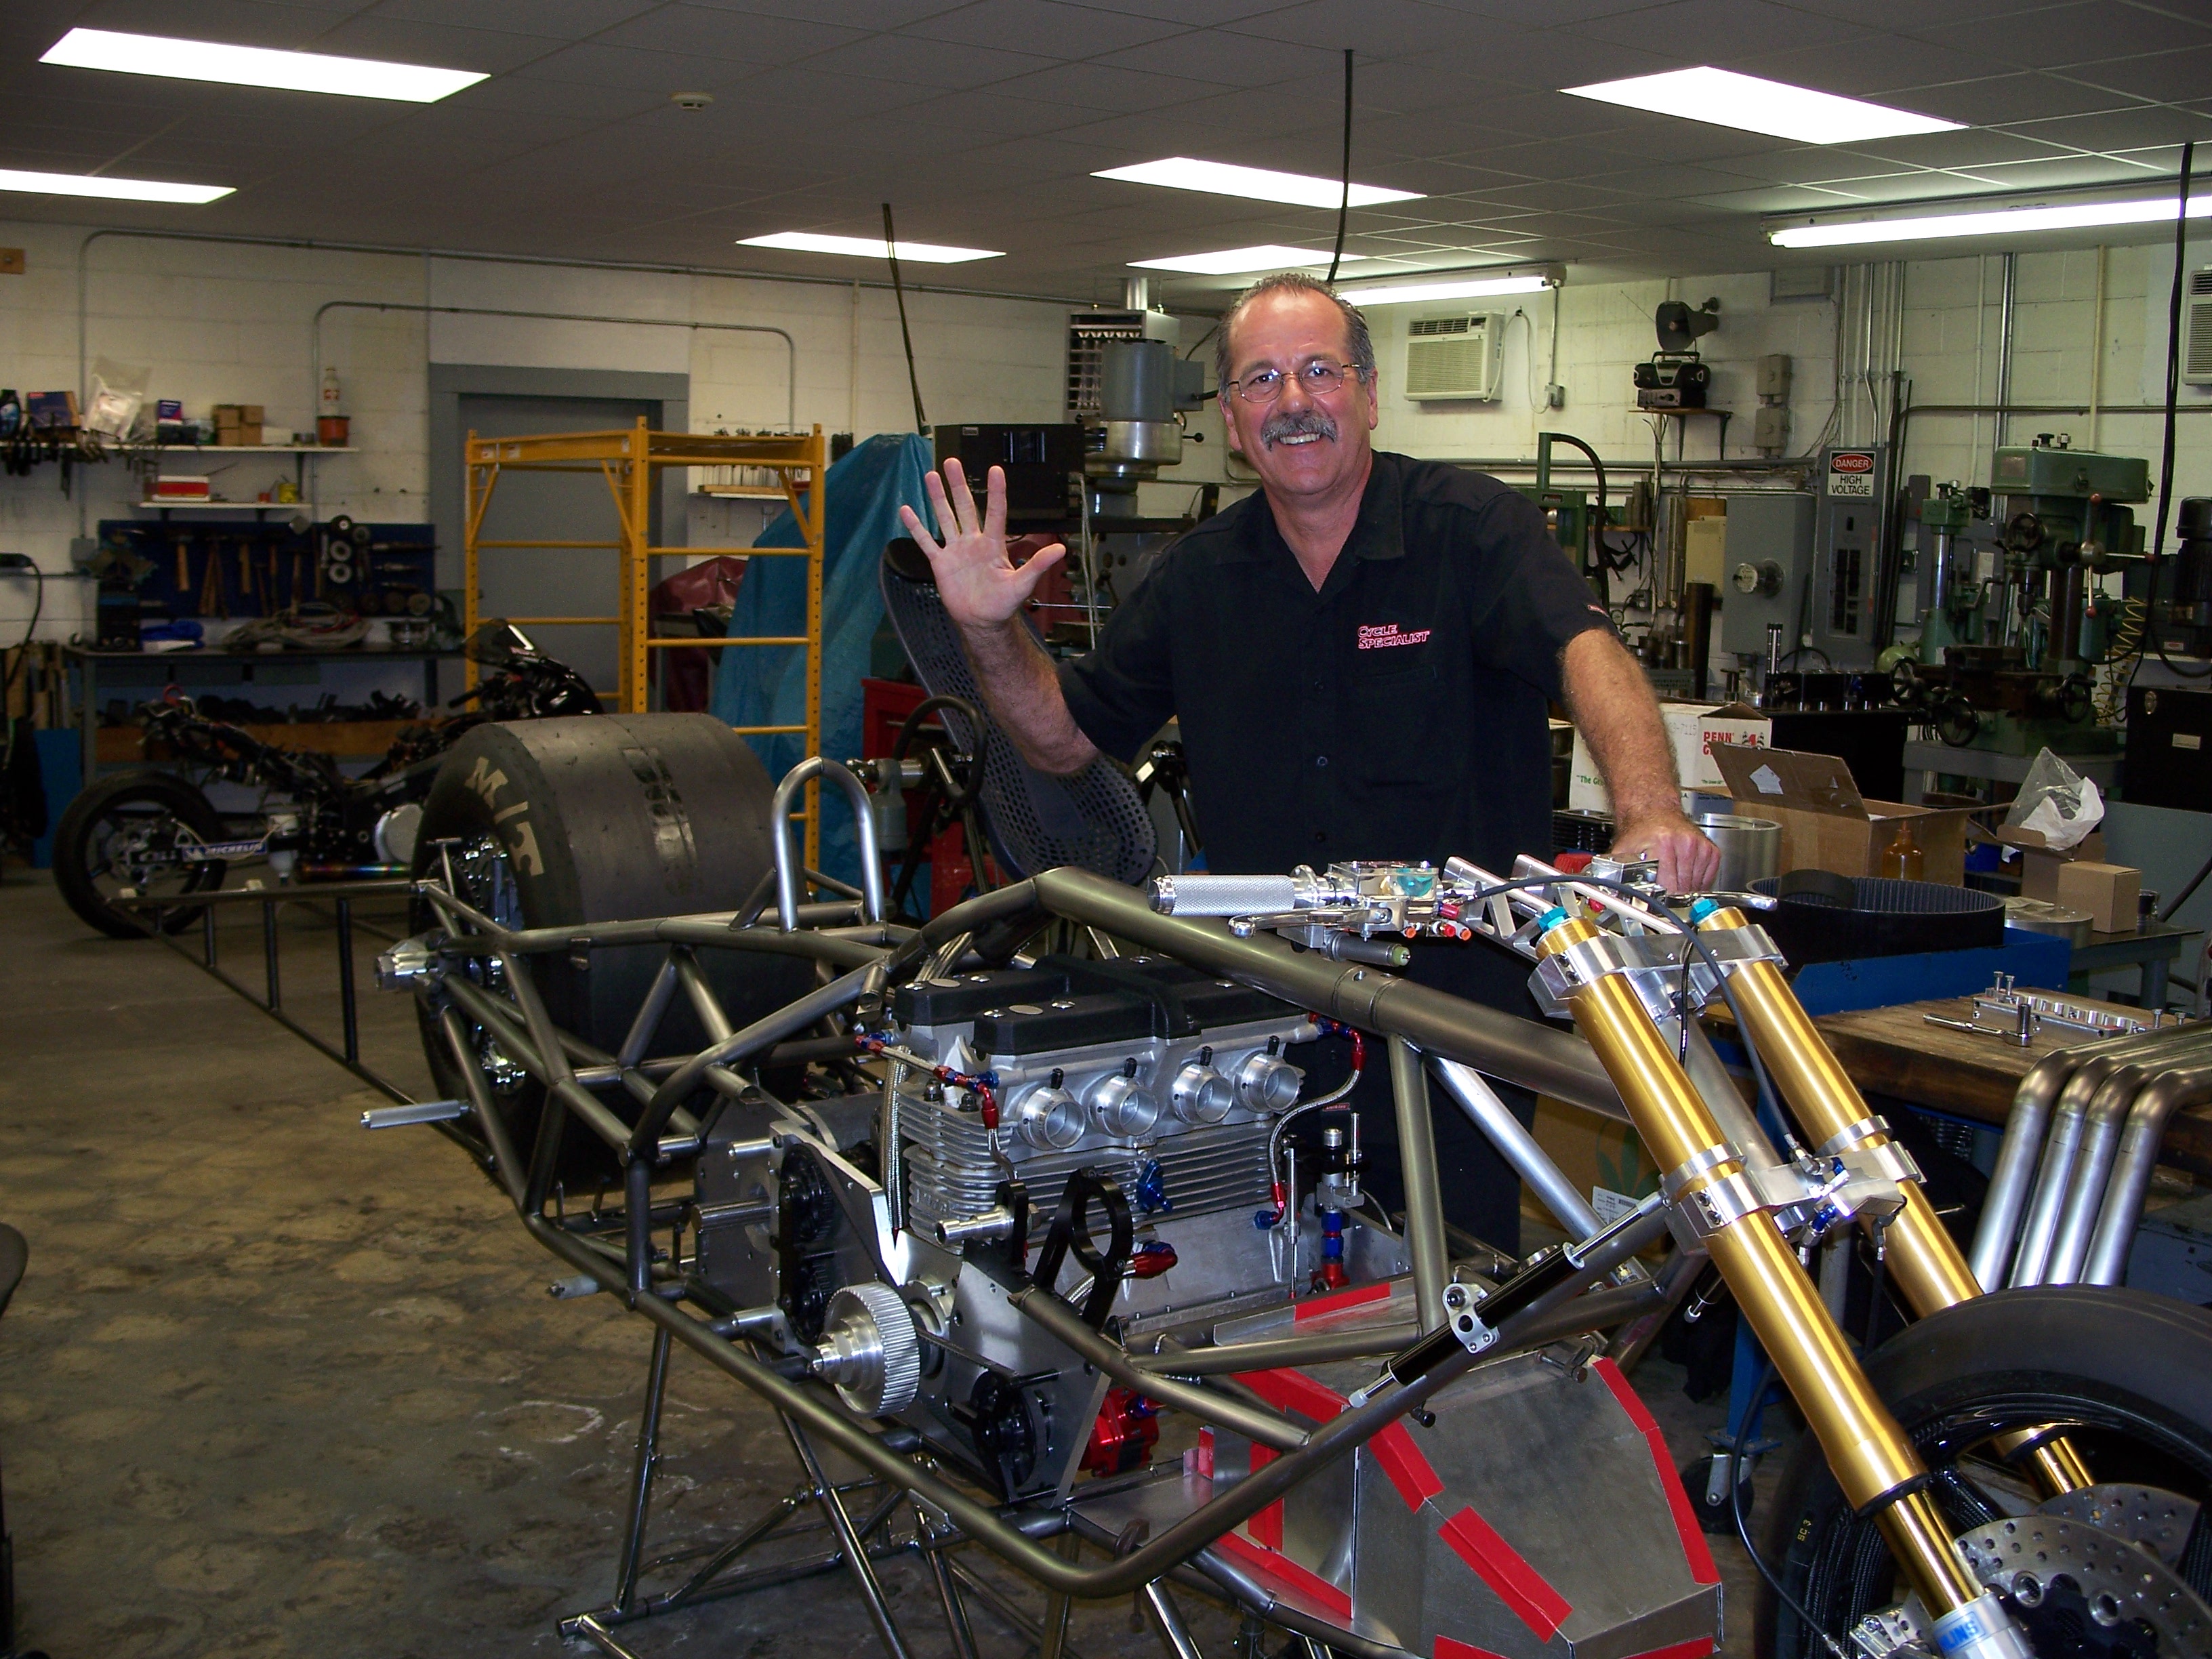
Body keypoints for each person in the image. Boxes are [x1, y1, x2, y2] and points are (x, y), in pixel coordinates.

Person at [899, 270, 1717, 1254]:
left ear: (1368, 395)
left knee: (1447, 1278)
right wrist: (992, 634)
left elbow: (1586, 652)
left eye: (1320, 371)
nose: (1294, 401)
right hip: (1266, 1005)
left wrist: (1652, 812)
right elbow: (1066, 739)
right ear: (1236, 428)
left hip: (1454, 1010)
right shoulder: (1197, 578)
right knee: (1260, 1265)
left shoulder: (1473, 531)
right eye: (1261, 380)